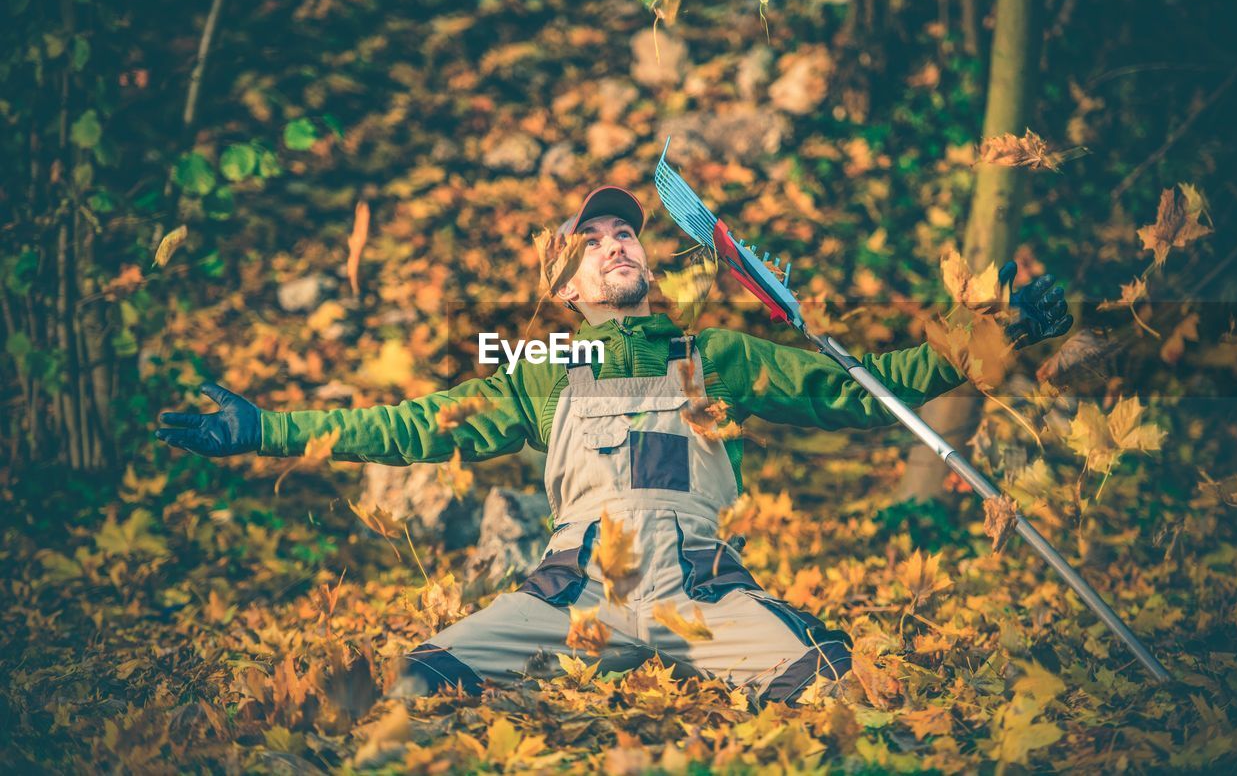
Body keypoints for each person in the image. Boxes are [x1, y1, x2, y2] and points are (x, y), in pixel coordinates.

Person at [156, 185, 1071, 706]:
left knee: (844, 691)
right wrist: (263, 431)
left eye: (624, 231)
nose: (614, 243)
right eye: (590, 242)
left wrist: (991, 337)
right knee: (413, 686)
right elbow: (401, 426)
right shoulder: (540, 369)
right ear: (566, 284)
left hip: (701, 595)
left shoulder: (714, 355)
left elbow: (861, 390)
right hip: (570, 600)